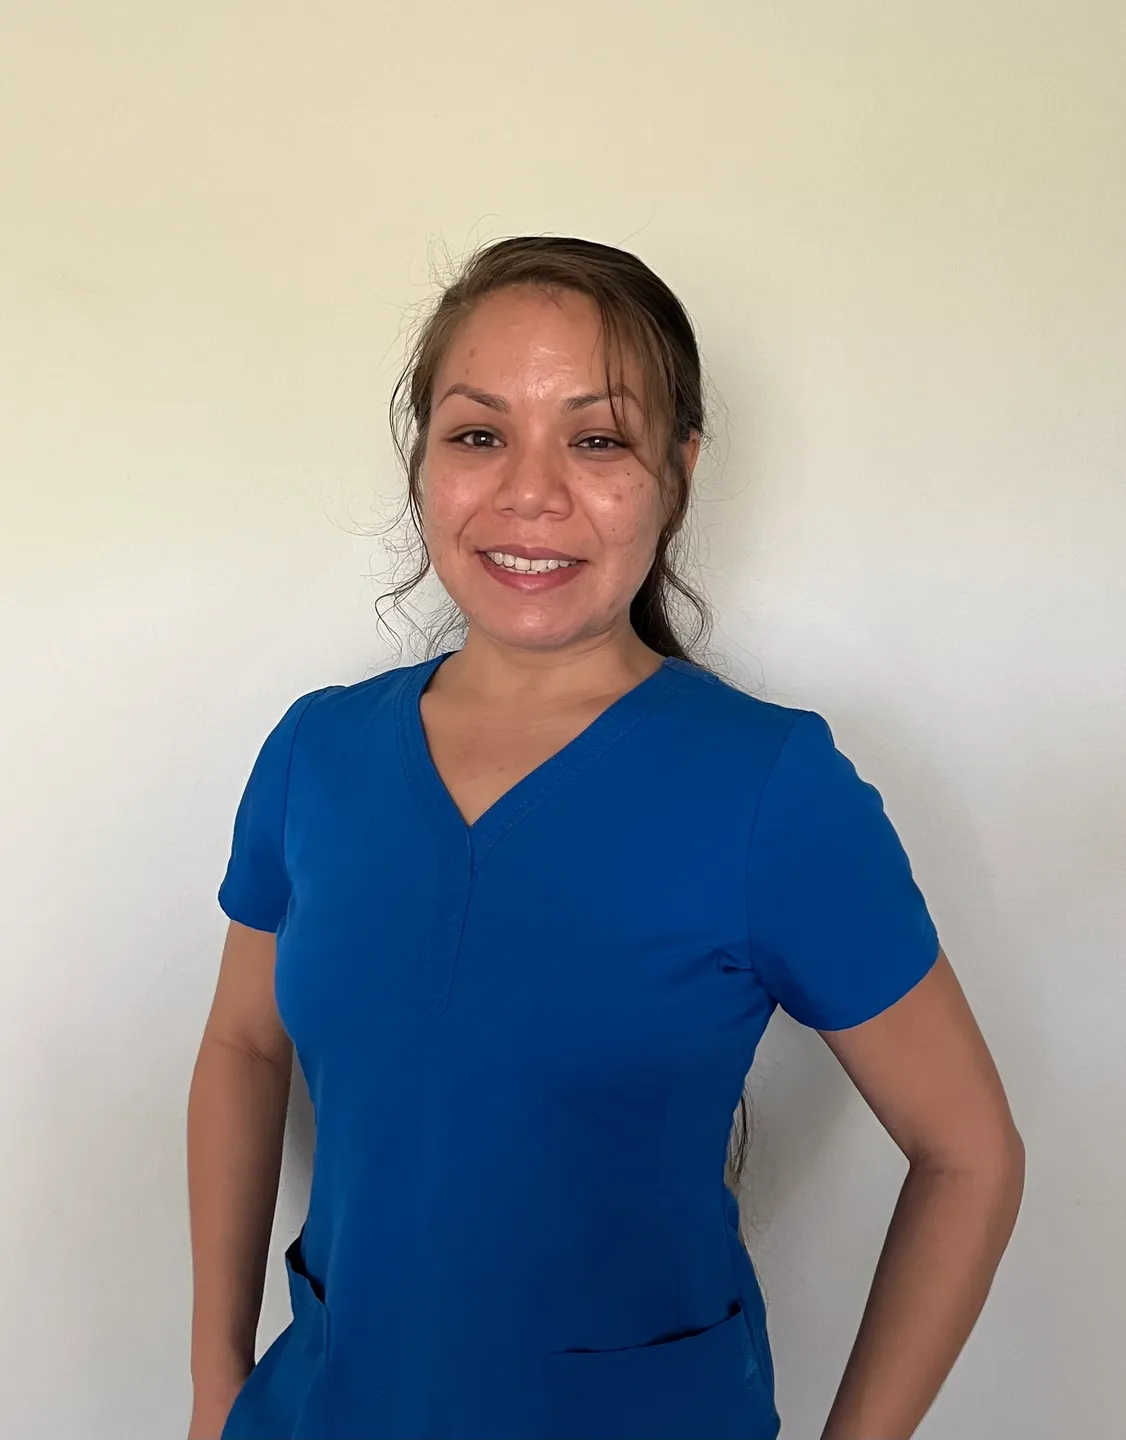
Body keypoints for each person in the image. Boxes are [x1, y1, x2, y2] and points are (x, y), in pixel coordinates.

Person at [186, 236, 1025, 1440]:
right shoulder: (318, 754)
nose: (529, 492)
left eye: (596, 438)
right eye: (479, 433)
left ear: (677, 470)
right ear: (423, 458)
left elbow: (969, 1155)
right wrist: (219, 1378)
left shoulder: (771, 790)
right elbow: (242, 1044)